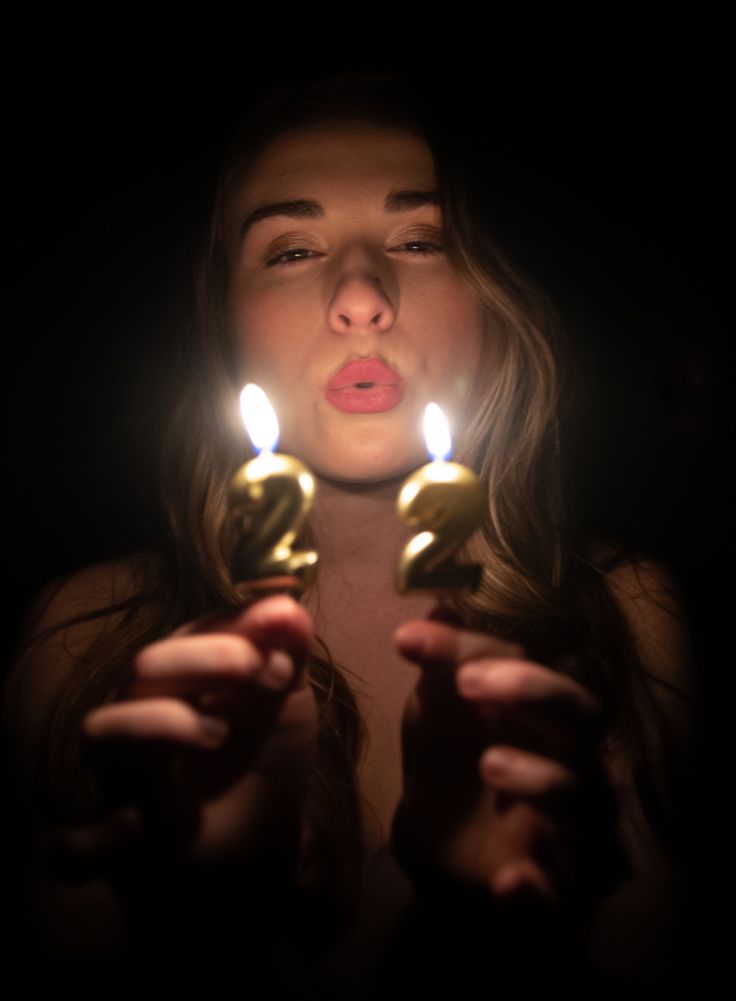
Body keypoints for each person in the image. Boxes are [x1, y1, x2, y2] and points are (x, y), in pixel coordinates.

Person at [3, 71, 698, 998]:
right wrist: (200, 934)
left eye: (418, 239)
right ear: (222, 323)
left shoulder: (626, 615)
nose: (362, 294)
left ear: (494, 298)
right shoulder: (86, 637)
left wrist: (499, 944)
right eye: (291, 251)